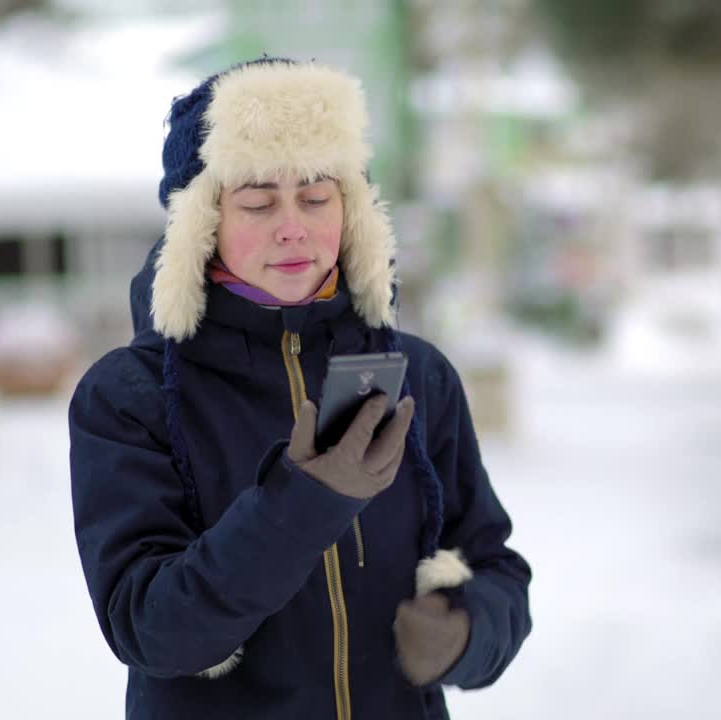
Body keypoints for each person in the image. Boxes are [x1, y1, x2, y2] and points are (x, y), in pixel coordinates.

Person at [68, 57, 532, 719]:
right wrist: (305, 502)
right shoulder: (129, 397)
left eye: (316, 196)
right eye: (258, 200)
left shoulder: (419, 376)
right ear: (202, 222)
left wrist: (468, 631)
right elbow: (150, 628)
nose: (292, 225)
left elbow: (494, 567)